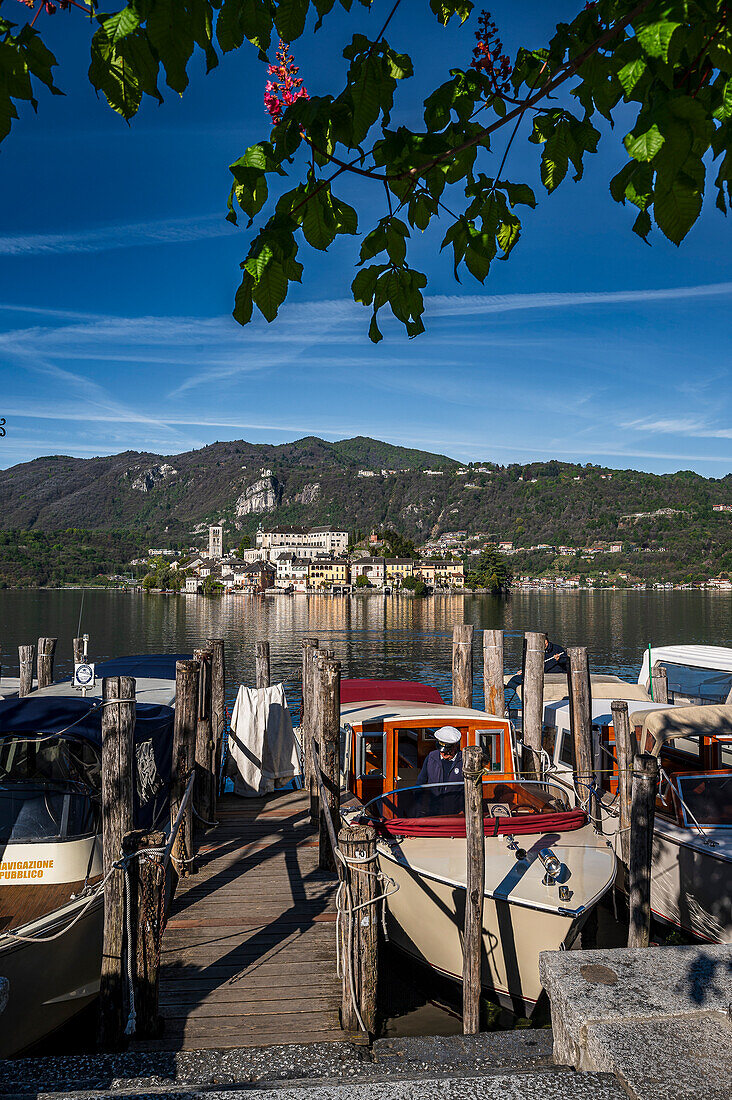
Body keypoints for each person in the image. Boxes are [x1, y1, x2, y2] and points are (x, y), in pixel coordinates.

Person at [416, 726, 464, 813]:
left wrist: (463, 810)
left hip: (456, 812)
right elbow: (421, 782)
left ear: (455, 747)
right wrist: (419, 805)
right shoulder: (431, 757)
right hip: (433, 810)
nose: (443, 754)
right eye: (441, 750)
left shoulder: (465, 761)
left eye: (447, 751)